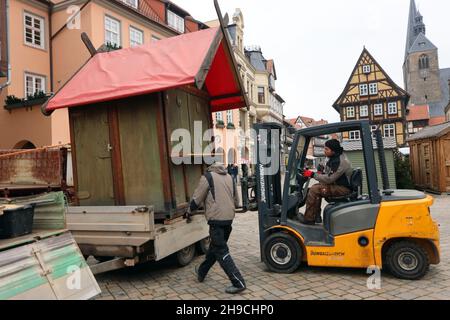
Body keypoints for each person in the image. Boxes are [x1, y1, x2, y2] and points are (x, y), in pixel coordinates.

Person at [185, 162, 246, 294]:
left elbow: (197, 198)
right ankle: (201, 271)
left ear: (209, 168)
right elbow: (236, 201)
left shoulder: (208, 177)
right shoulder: (230, 177)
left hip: (216, 221)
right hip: (228, 220)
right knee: (215, 249)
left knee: (221, 251)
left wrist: (189, 211)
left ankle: (238, 282)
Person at [298, 139, 353, 225]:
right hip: (337, 184)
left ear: (333, 150)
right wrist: (320, 172)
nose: (324, 151)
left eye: (326, 149)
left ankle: (309, 219)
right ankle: (316, 216)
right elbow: (328, 173)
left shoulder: (341, 162)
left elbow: (329, 179)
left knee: (315, 189)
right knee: (311, 189)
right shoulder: (334, 157)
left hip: (343, 188)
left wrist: (312, 175)